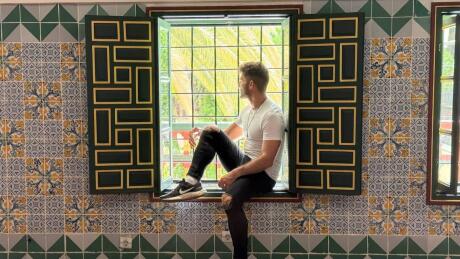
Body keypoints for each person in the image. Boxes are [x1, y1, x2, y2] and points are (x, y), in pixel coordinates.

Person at [160, 61, 285, 259]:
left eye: (241, 80)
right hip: (246, 162)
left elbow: (267, 159)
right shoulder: (248, 110)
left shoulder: (272, 115)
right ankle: (192, 183)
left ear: (251, 84)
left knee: (229, 199)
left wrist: (234, 174)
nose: (238, 83)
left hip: (263, 175)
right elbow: (225, 137)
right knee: (211, 130)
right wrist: (203, 133)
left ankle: (240, 256)